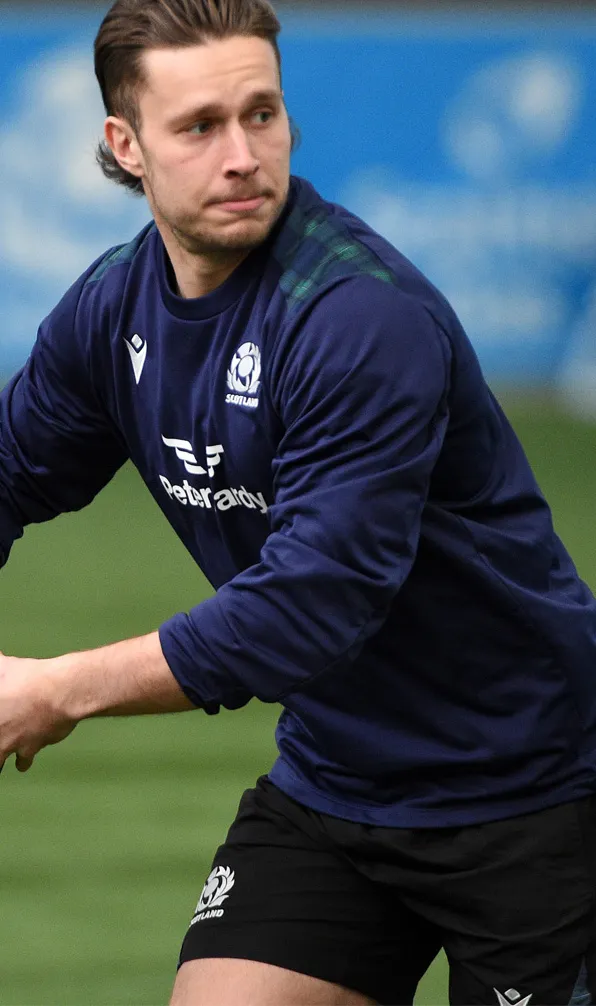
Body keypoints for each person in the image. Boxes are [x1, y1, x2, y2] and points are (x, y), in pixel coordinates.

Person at [0, 0, 595, 1002]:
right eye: (199, 126)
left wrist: (54, 689)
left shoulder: (357, 318)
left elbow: (303, 609)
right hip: (334, 785)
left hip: (531, 793)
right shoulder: (112, 309)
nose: (242, 154)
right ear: (124, 144)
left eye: (261, 114)